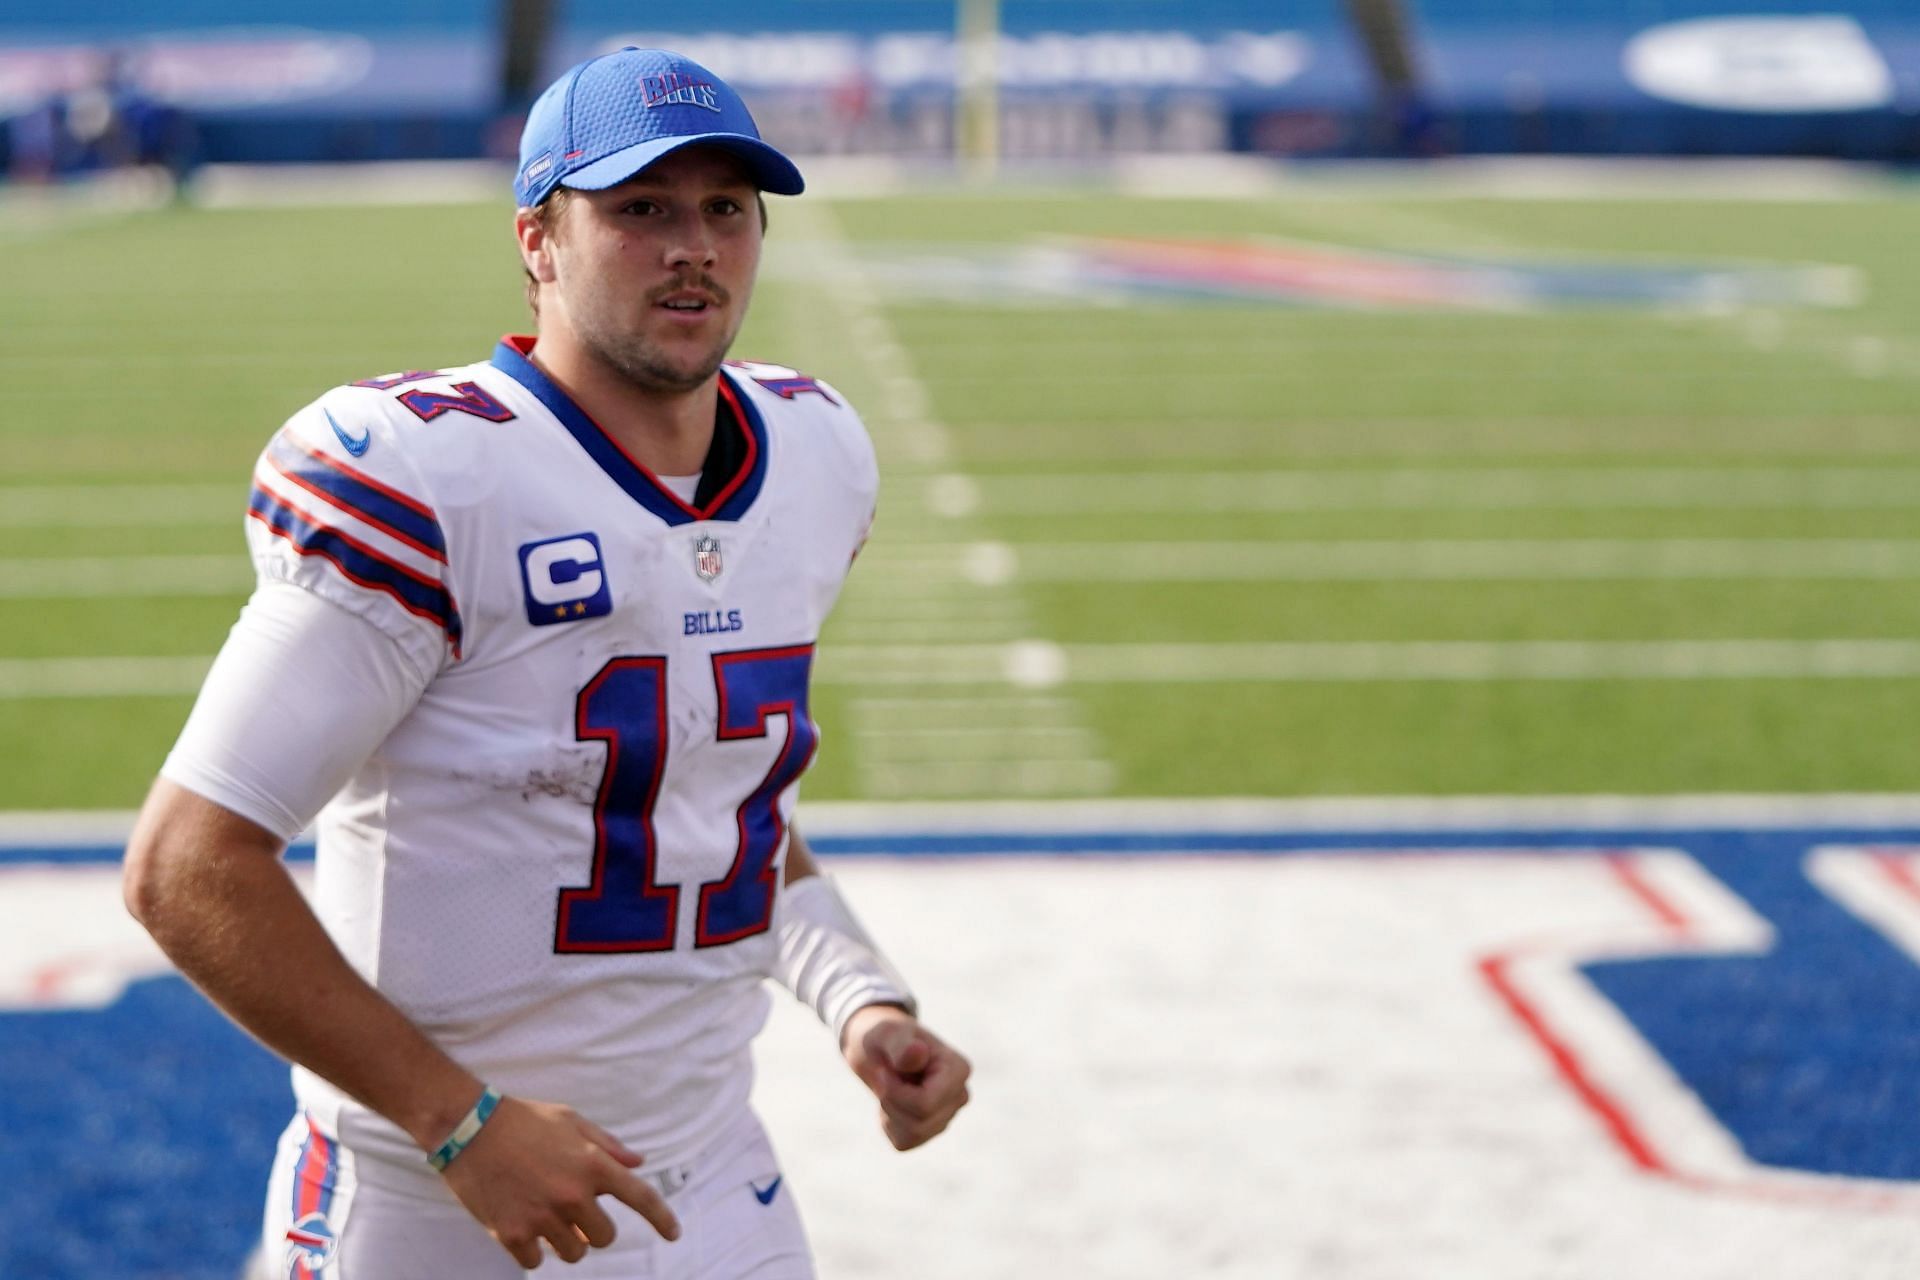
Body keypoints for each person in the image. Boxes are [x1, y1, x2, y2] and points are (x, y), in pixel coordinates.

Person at [122, 46, 971, 1279]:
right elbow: (184, 863)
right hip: (441, 1207)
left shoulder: (814, 451)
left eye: (725, 208)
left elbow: (715, 802)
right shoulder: (427, 477)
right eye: (640, 209)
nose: (694, 246)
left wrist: (860, 997)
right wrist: (461, 1123)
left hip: (717, 1183)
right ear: (539, 239)